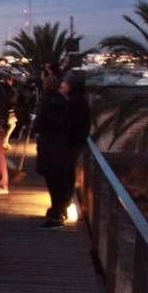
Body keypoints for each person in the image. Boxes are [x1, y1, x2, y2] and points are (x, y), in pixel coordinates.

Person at [33, 76, 72, 228]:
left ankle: (56, 215)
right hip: (62, 145)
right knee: (60, 182)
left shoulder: (45, 102)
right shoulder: (64, 101)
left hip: (49, 145)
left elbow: (39, 124)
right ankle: (60, 210)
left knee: (53, 182)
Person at [61, 77, 92, 217]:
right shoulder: (80, 101)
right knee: (69, 170)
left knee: (67, 171)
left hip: (72, 142)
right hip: (77, 141)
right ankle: (66, 200)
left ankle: (65, 201)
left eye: (64, 85)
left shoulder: (73, 103)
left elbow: (70, 122)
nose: (62, 87)